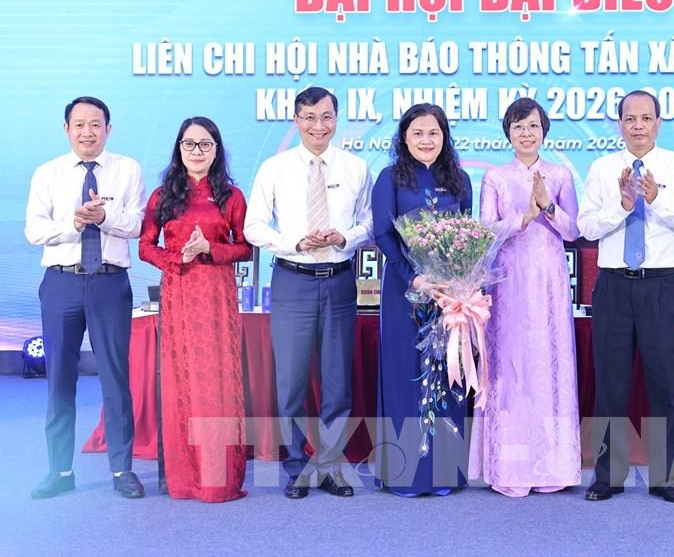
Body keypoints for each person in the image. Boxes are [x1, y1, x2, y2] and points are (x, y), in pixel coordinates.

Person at [578, 90, 674, 504]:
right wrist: (622, 205)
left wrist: (657, 199)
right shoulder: (602, 168)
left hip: (662, 285)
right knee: (610, 383)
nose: (638, 125)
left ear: (658, 123)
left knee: (665, 383)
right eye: (630, 118)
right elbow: (587, 227)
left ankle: (665, 477)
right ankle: (608, 475)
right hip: (614, 285)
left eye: (646, 118)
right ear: (619, 124)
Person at [244, 87, 373, 499]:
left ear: (337, 119)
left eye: (327, 116)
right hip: (292, 280)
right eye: (310, 117)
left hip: (339, 280)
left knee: (337, 382)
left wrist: (345, 236)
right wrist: (295, 242)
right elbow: (253, 226)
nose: (319, 125)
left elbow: (370, 223)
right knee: (292, 383)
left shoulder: (355, 167)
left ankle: (331, 466)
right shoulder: (274, 168)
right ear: (296, 120)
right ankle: (297, 468)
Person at [25, 96, 146, 499]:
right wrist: (74, 223)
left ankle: (122, 470)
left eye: (95, 124)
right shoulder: (48, 173)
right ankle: (60, 471)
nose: (87, 132)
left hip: (109, 283)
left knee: (115, 377)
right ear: (66, 129)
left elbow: (137, 225)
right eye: (79, 125)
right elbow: (34, 230)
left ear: (108, 129)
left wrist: (105, 217)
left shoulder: (127, 169)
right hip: (61, 283)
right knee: (60, 378)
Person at [468, 98, 582, 497]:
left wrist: (548, 207)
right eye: (518, 127)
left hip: (549, 280)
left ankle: (553, 467)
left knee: (549, 364)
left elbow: (574, 230)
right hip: (509, 281)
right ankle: (510, 466)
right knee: (512, 366)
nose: (526, 133)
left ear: (544, 130)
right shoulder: (496, 178)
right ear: (508, 134)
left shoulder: (560, 175)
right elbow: (485, 231)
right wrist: (524, 218)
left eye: (533, 125)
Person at [138, 116, 251, 502]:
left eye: (205, 144)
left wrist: (210, 249)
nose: (197, 151)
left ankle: (219, 477)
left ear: (216, 150)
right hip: (180, 292)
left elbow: (246, 248)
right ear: (179, 148)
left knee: (217, 382)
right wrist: (177, 258)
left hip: (217, 295)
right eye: (189, 144)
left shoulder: (231, 196)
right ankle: (186, 478)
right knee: (182, 380)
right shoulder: (163, 196)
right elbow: (145, 246)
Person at [371, 103, 472, 497]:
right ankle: (405, 473)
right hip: (404, 291)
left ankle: (445, 472)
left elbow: (467, 235)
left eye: (434, 133)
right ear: (404, 137)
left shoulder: (459, 179)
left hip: (448, 295)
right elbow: (383, 234)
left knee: (447, 375)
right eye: (418, 133)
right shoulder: (389, 178)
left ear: (444, 137)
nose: (426, 140)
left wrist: (458, 278)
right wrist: (413, 276)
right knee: (404, 374)